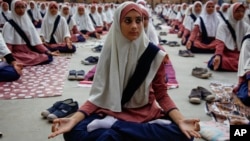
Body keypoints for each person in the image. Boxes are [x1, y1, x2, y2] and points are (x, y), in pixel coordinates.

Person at [48, 2, 201, 141]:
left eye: (138, 20)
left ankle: (114, 131)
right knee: (72, 133)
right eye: (128, 21)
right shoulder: (109, 54)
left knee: (184, 135)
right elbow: (97, 97)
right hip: (112, 111)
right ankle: (128, 133)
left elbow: (161, 94)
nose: (134, 26)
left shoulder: (154, 55)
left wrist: (180, 120)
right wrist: (73, 120)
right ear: (118, 24)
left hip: (145, 114)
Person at [2, 0, 57, 66]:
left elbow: (36, 42)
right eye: (18, 7)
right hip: (16, 53)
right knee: (12, 59)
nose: (21, 10)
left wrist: (48, 51)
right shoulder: (8, 25)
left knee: (48, 57)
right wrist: (8, 58)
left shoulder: (28, 23)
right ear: (13, 9)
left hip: (28, 52)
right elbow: (8, 46)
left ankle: (21, 62)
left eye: (23, 7)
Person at [207, 2, 248, 72]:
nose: (241, 14)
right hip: (227, 54)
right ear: (232, 12)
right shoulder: (223, 26)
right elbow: (220, 43)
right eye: (237, 11)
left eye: (242, 11)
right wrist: (218, 55)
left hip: (240, 54)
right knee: (217, 61)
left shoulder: (246, 26)